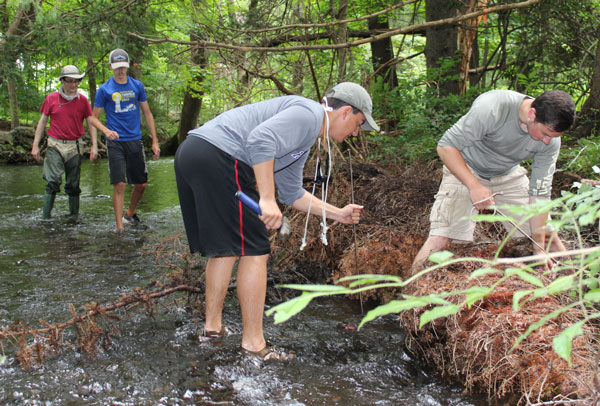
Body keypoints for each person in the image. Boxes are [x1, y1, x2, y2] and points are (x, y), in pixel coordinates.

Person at [174, 82, 379, 360]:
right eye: (359, 123)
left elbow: (293, 193)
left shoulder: (303, 137)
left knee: (229, 247)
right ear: (345, 112)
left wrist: (337, 213)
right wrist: (266, 198)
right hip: (220, 156)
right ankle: (254, 346)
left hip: (193, 152)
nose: (356, 133)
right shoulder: (308, 114)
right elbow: (261, 140)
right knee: (256, 250)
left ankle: (212, 330)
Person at [412, 89, 576, 271]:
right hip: (467, 168)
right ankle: (408, 294)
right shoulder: (492, 107)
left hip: (508, 175)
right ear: (532, 113)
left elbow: (540, 193)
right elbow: (445, 147)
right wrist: (474, 186)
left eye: (552, 137)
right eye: (544, 134)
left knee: (548, 237)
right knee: (441, 239)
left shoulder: (551, 141)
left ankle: (575, 286)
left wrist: (538, 247)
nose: (546, 141)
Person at [91, 48, 160, 231]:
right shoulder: (104, 90)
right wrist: (106, 131)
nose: (121, 71)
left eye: (123, 67)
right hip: (115, 142)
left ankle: (130, 212)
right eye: (117, 67)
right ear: (110, 67)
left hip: (135, 140)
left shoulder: (137, 86)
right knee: (119, 183)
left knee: (141, 184)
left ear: (127, 66)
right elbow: (93, 118)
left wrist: (154, 141)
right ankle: (120, 227)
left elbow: (147, 112)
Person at [31, 65, 98, 219]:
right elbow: (42, 122)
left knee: (73, 185)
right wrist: (35, 145)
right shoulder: (51, 98)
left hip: (75, 146)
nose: (73, 85)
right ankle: (45, 219)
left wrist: (94, 145)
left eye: (76, 81)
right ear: (62, 81)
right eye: (69, 81)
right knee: (53, 181)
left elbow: (91, 123)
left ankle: (73, 218)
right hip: (55, 145)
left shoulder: (83, 101)